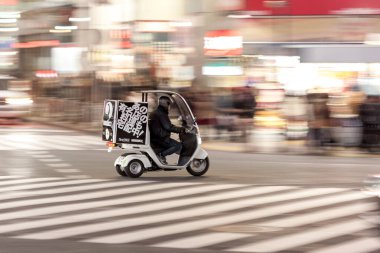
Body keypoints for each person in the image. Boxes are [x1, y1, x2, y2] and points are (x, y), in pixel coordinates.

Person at [149, 96, 185, 165]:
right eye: (169, 105)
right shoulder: (161, 114)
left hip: (156, 137)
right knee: (178, 146)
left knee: (174, 143)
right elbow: (168, 127)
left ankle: (160, 155)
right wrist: (181, 130)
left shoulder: (158, 112)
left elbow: (166, 126)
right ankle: (161, 155)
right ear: (165, 104)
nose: (169, 107)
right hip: (160, 138)